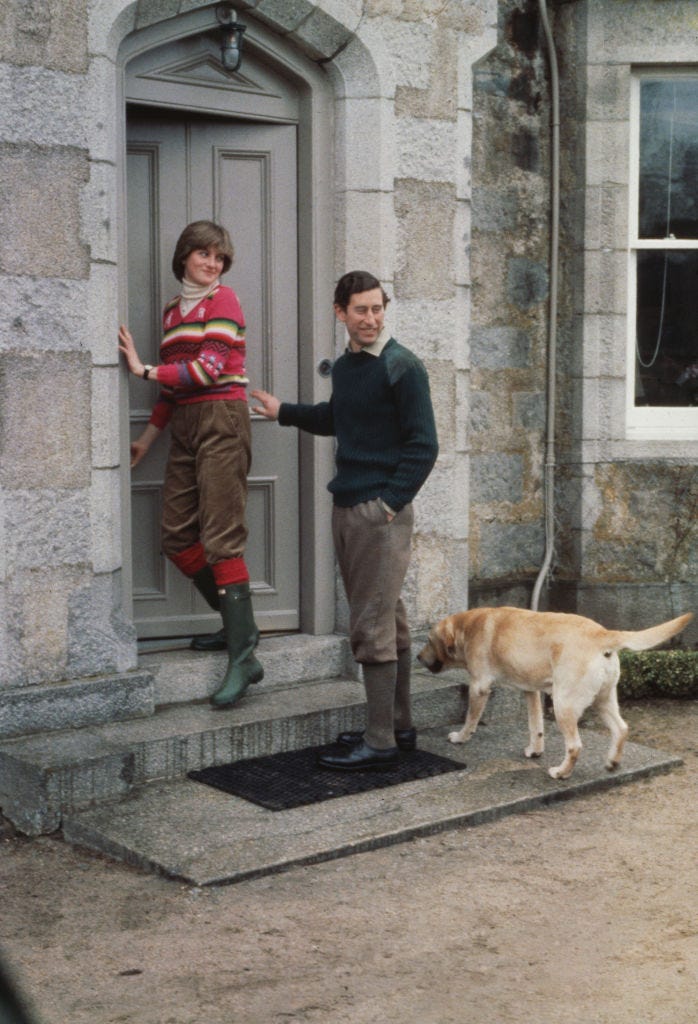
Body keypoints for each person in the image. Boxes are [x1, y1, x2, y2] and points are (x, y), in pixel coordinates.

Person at [251, 270, 438, 770]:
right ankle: (397, 727)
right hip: (350, 509)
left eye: (378, 308)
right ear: (341, 312)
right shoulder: (351, 367)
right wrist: (283, 411)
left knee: (371, 624)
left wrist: (389, 504)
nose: (371, 318)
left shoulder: (403, 367)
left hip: (378, 515)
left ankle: (378, 743)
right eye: (361, 310)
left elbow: (424, 446)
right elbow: (339, 419)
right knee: (388, 617)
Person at [118, 219, 263, 708]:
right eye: (204, 254)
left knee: (222, 538)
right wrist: (146, 439)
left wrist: (142, 368)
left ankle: (243, 655)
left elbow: (208, 370)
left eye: (219, 258)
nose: (212, 264)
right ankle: (234, 624)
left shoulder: (225, 300)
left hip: (223, 416)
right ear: (185, 256)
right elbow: (173, 389)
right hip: (184, 421)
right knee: (177, 536)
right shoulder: (170, 314)